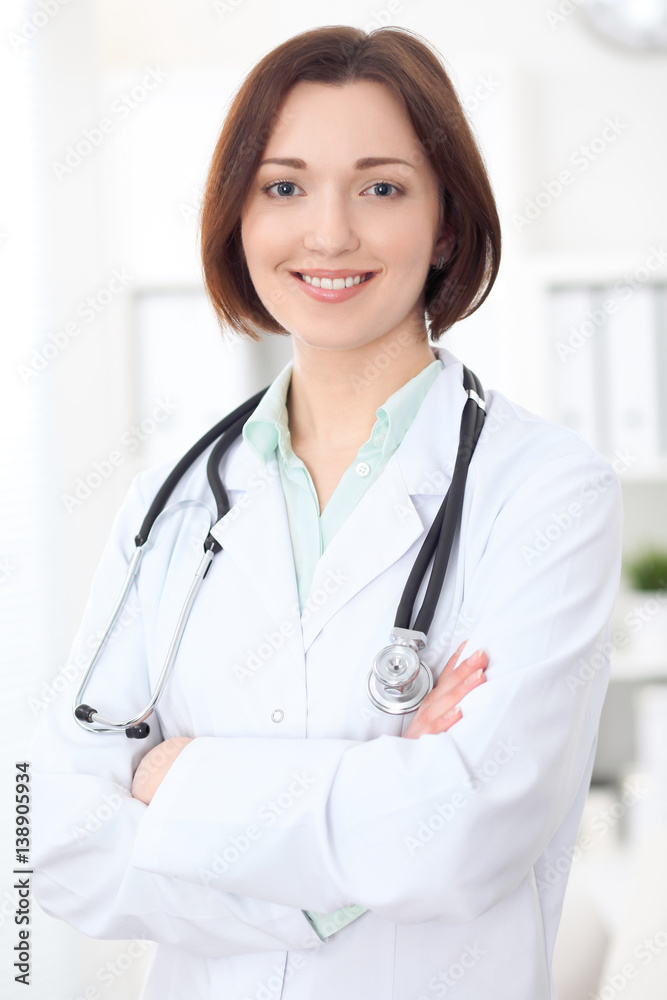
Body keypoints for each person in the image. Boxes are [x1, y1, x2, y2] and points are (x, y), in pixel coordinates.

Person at [30, 24, 623, 1000]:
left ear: (445, 224)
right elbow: (50, 832)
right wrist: (350, 852)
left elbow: (462, 834)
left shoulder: (547, 490)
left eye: (380, 188)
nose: (330, 233)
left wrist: (172, 779)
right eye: (284, 187)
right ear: (238, 217)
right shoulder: (171, 501)